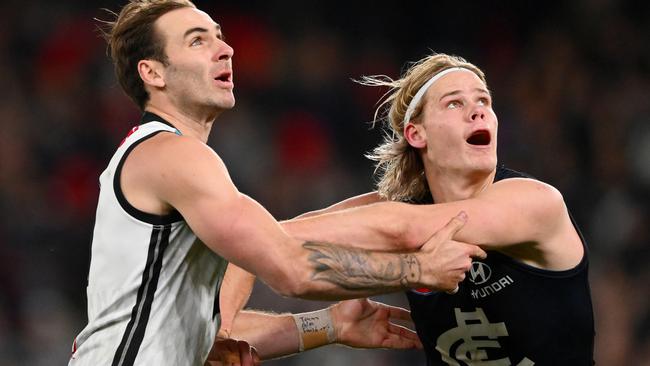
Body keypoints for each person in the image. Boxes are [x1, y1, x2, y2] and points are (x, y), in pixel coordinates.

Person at [69, 1, 487, 365]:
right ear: (153, 73)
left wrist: (329, 324)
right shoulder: (170, 155)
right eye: (198, 41)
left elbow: (207, 332)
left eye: (219, 36)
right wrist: (419, 268)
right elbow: (291, 269)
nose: (226, 49)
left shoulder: (167, 160)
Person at [278, 53, 595, 365]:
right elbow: (280, 246)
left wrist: (263, 237)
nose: (477, 112)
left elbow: (405, 228)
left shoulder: (536, 202)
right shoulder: (393, 212)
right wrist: (328, 326)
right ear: (416, 133)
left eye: (484, 101)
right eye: (455, 103)